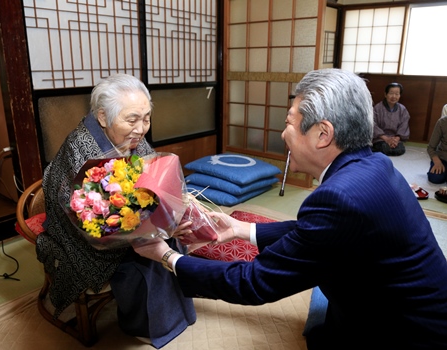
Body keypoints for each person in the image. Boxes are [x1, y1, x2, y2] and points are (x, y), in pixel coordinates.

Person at [133, 69, 447, 349]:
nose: (283, 133)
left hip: (406, 331)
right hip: (396, 301)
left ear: (322, 134)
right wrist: (240, 228)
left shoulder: (341, 197)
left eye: (289, 123)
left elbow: (255, 282)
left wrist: (167, 256)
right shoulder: (373, 164)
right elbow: (318, 233)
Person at [37, 73, 196, 349]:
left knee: (172, 236)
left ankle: (175, 314)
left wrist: (172, 210)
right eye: (132, 119)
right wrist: (146, 230)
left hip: (123, 214)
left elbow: (152, 174)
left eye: (146, 118)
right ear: (102, 117)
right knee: (146, 255)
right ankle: (144, 323)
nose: (141, 128)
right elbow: (82, 215)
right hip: (79, 232)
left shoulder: (132, 136)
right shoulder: (81, 149)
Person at [372, 82, 410, 156]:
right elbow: (373, 125)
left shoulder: (402, 109)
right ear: (385, 94)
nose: (394, 96)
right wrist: (386, 139)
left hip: (395, 138)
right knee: (384, 148)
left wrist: (396, 139)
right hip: (381, 138)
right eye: (391, 93)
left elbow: (404, 125)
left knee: (399, 150)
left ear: (400, 95)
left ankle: (393, 144)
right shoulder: (378, 108)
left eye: (397, 94)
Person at [427, 105, 447, 184]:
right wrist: (437, 161)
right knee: (435, 178)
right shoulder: (442, 122)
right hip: (443, 158)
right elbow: (431, 148)